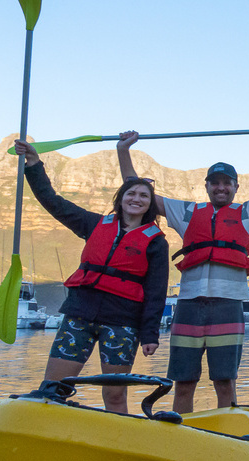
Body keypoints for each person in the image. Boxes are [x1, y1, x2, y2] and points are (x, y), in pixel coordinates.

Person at [117, 125, 249, 414]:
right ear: (206, 186)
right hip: (189, 306)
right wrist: (123, 150)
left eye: (226, 183)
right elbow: (134, 188)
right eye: (215, 182)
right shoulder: (187, 212)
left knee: (225, 381)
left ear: (235, 188)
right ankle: (183, 432)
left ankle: (226, 434)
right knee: (184, 381)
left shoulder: (248, 212)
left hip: (228, 306)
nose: (220, 187)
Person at [14, 139, 169, 414]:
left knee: (115, 395)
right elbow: (53, 202)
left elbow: (156, 293)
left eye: (144, 196)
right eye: (131, 193)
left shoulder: (156, 242)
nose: (136, 199)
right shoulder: (95, 224)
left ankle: (117, 445)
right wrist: (34, 164)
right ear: (120, 198)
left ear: (150, 205)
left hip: (122, 322)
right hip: (80, 315)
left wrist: (150, 336)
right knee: (52, 387)